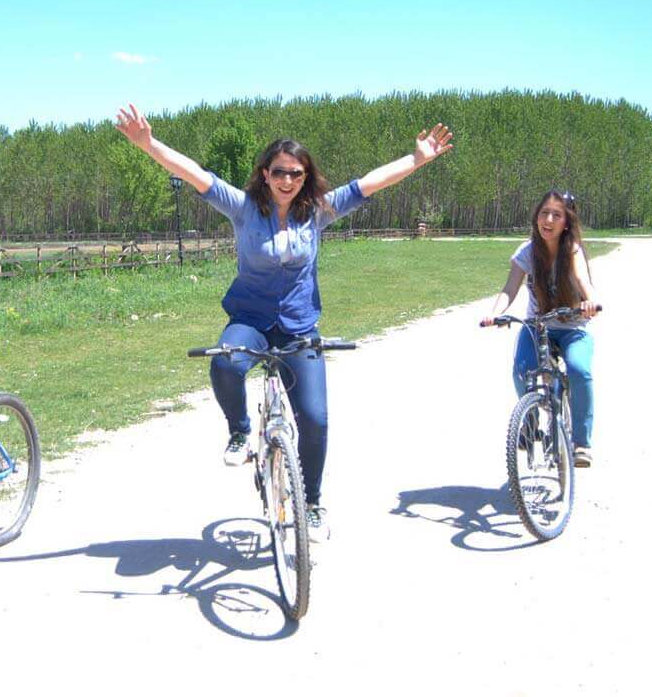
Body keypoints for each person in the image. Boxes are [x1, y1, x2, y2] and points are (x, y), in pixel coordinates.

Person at [114, 103, 452, 541]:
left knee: (314, 418)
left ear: (305, 178)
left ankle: (311, 503)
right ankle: (238, 432)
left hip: (298, 327)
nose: (287, 180)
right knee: (225, 363)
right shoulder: (242, 208)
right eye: (279, 172)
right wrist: (148, 144)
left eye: (296, 173)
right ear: (264, 174)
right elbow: (194, 171)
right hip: (250, 319)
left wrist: (417, 159)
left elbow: (371, 183)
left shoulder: (319, 210)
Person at [481, 191, 599, 467]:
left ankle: (581, 443)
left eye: (556, 215)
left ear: (566, 223)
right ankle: (530, 419)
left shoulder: (572, 250)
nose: (548, 220)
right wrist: (494, 313)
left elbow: (582, 279)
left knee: (579, 370)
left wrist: (592, 299)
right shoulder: (526, 252)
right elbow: (509, 289)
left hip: (573, 327)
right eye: (544, 213)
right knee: (522, 369)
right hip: (537, 326)